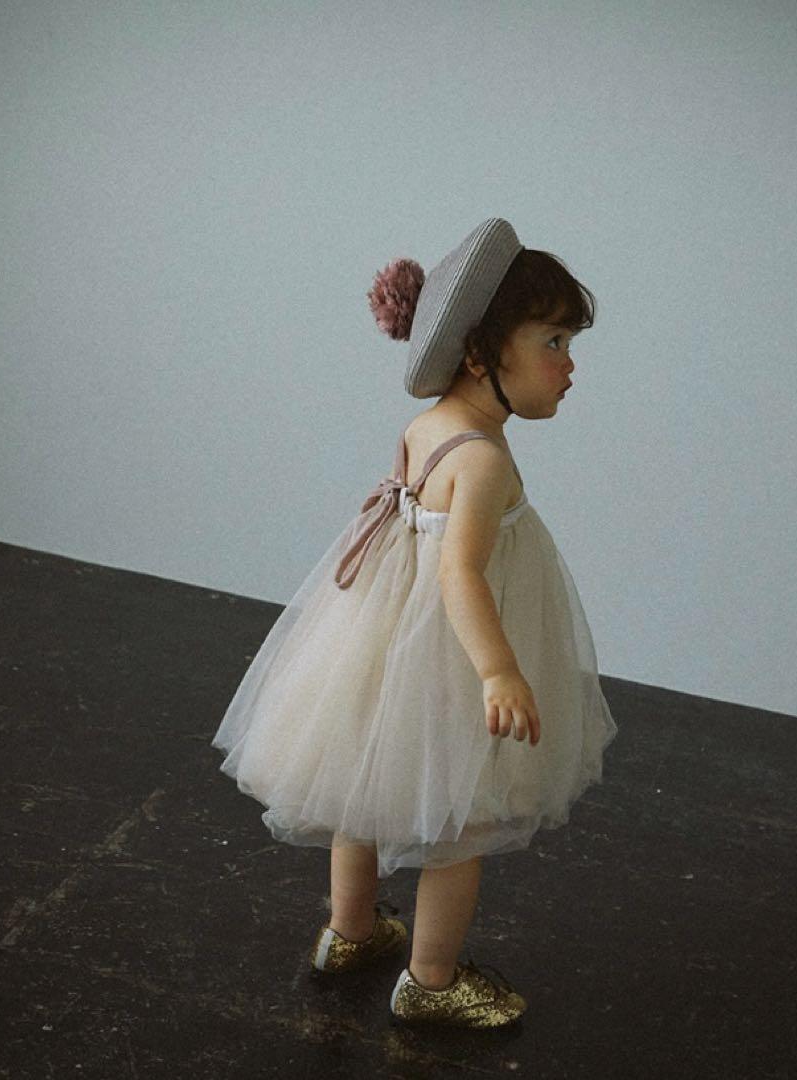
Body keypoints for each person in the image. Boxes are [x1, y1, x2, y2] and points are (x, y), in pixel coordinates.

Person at [211, 218, 618, 1029]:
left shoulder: (429, 426)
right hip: (451, 652)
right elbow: (459, 573)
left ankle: (350, 933)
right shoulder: (483, 458)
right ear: (480, 354)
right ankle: (431, 980)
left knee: (365, 781)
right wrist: (499, 670)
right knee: (460, 820)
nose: (569, 365)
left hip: (386, 634)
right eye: (553, 342)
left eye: (570, 343)